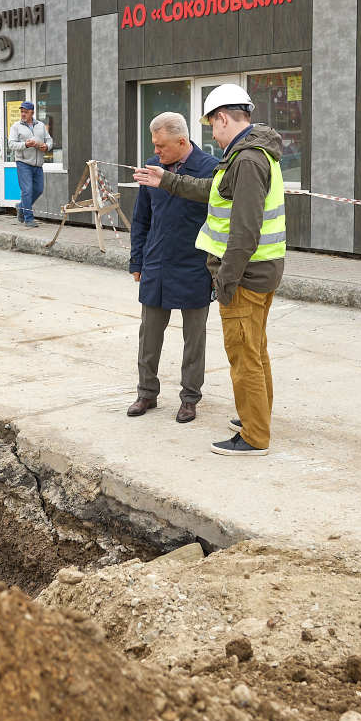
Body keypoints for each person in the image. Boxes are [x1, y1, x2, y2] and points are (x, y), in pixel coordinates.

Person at [133, 84, 286, 457]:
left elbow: (245, 230)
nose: (212, 135)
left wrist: (226, 280)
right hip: (260, 271)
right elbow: (211, 191)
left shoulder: (247, 160)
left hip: (246, 275)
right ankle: (256, 416)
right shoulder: (248, 155)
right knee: (257, 351)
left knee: (245, 356)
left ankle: (254, 436)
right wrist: (165, 179)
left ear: (222, 119)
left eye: (212, 126)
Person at [128, 112, 220, 424]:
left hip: (195, 266)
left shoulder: (210, 169)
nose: (157, 152)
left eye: (162, 146)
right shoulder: (152, 168)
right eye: (154, 145)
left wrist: (215, 268)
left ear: (182, 141)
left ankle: (190, 398)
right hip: (156, 263)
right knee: (149, 334)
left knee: (194, 338)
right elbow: (141, 218)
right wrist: (137, 260)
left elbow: (221, 221)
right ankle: (146, 392)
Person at [8, 100, 52, 228]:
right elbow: (11, 144)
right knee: (26, 191)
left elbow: (49, 141)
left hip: (38, 164)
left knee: (38, 190)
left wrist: (46, 147)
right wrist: (26, 144)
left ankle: (21, 207)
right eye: (22, 111)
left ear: (32, 112)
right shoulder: (16, 126)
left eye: (26, 112)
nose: (23, 114)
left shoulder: (40, 125)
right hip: (23, 163)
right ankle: (28, 219)